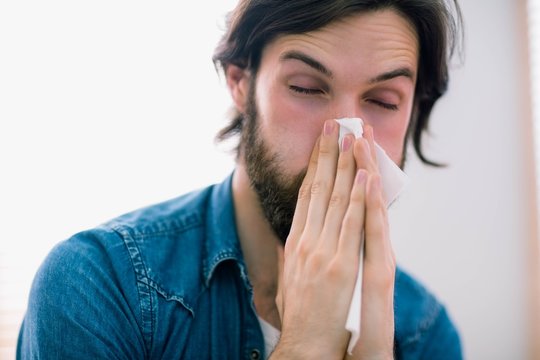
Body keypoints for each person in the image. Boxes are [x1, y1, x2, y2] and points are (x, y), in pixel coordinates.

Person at [17, 0, 464, 358]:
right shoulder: (99, 285)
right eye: (306, 87)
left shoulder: (427, 334)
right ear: (239, 82)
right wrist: (305, 349)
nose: (347, 141)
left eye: (384, 101)